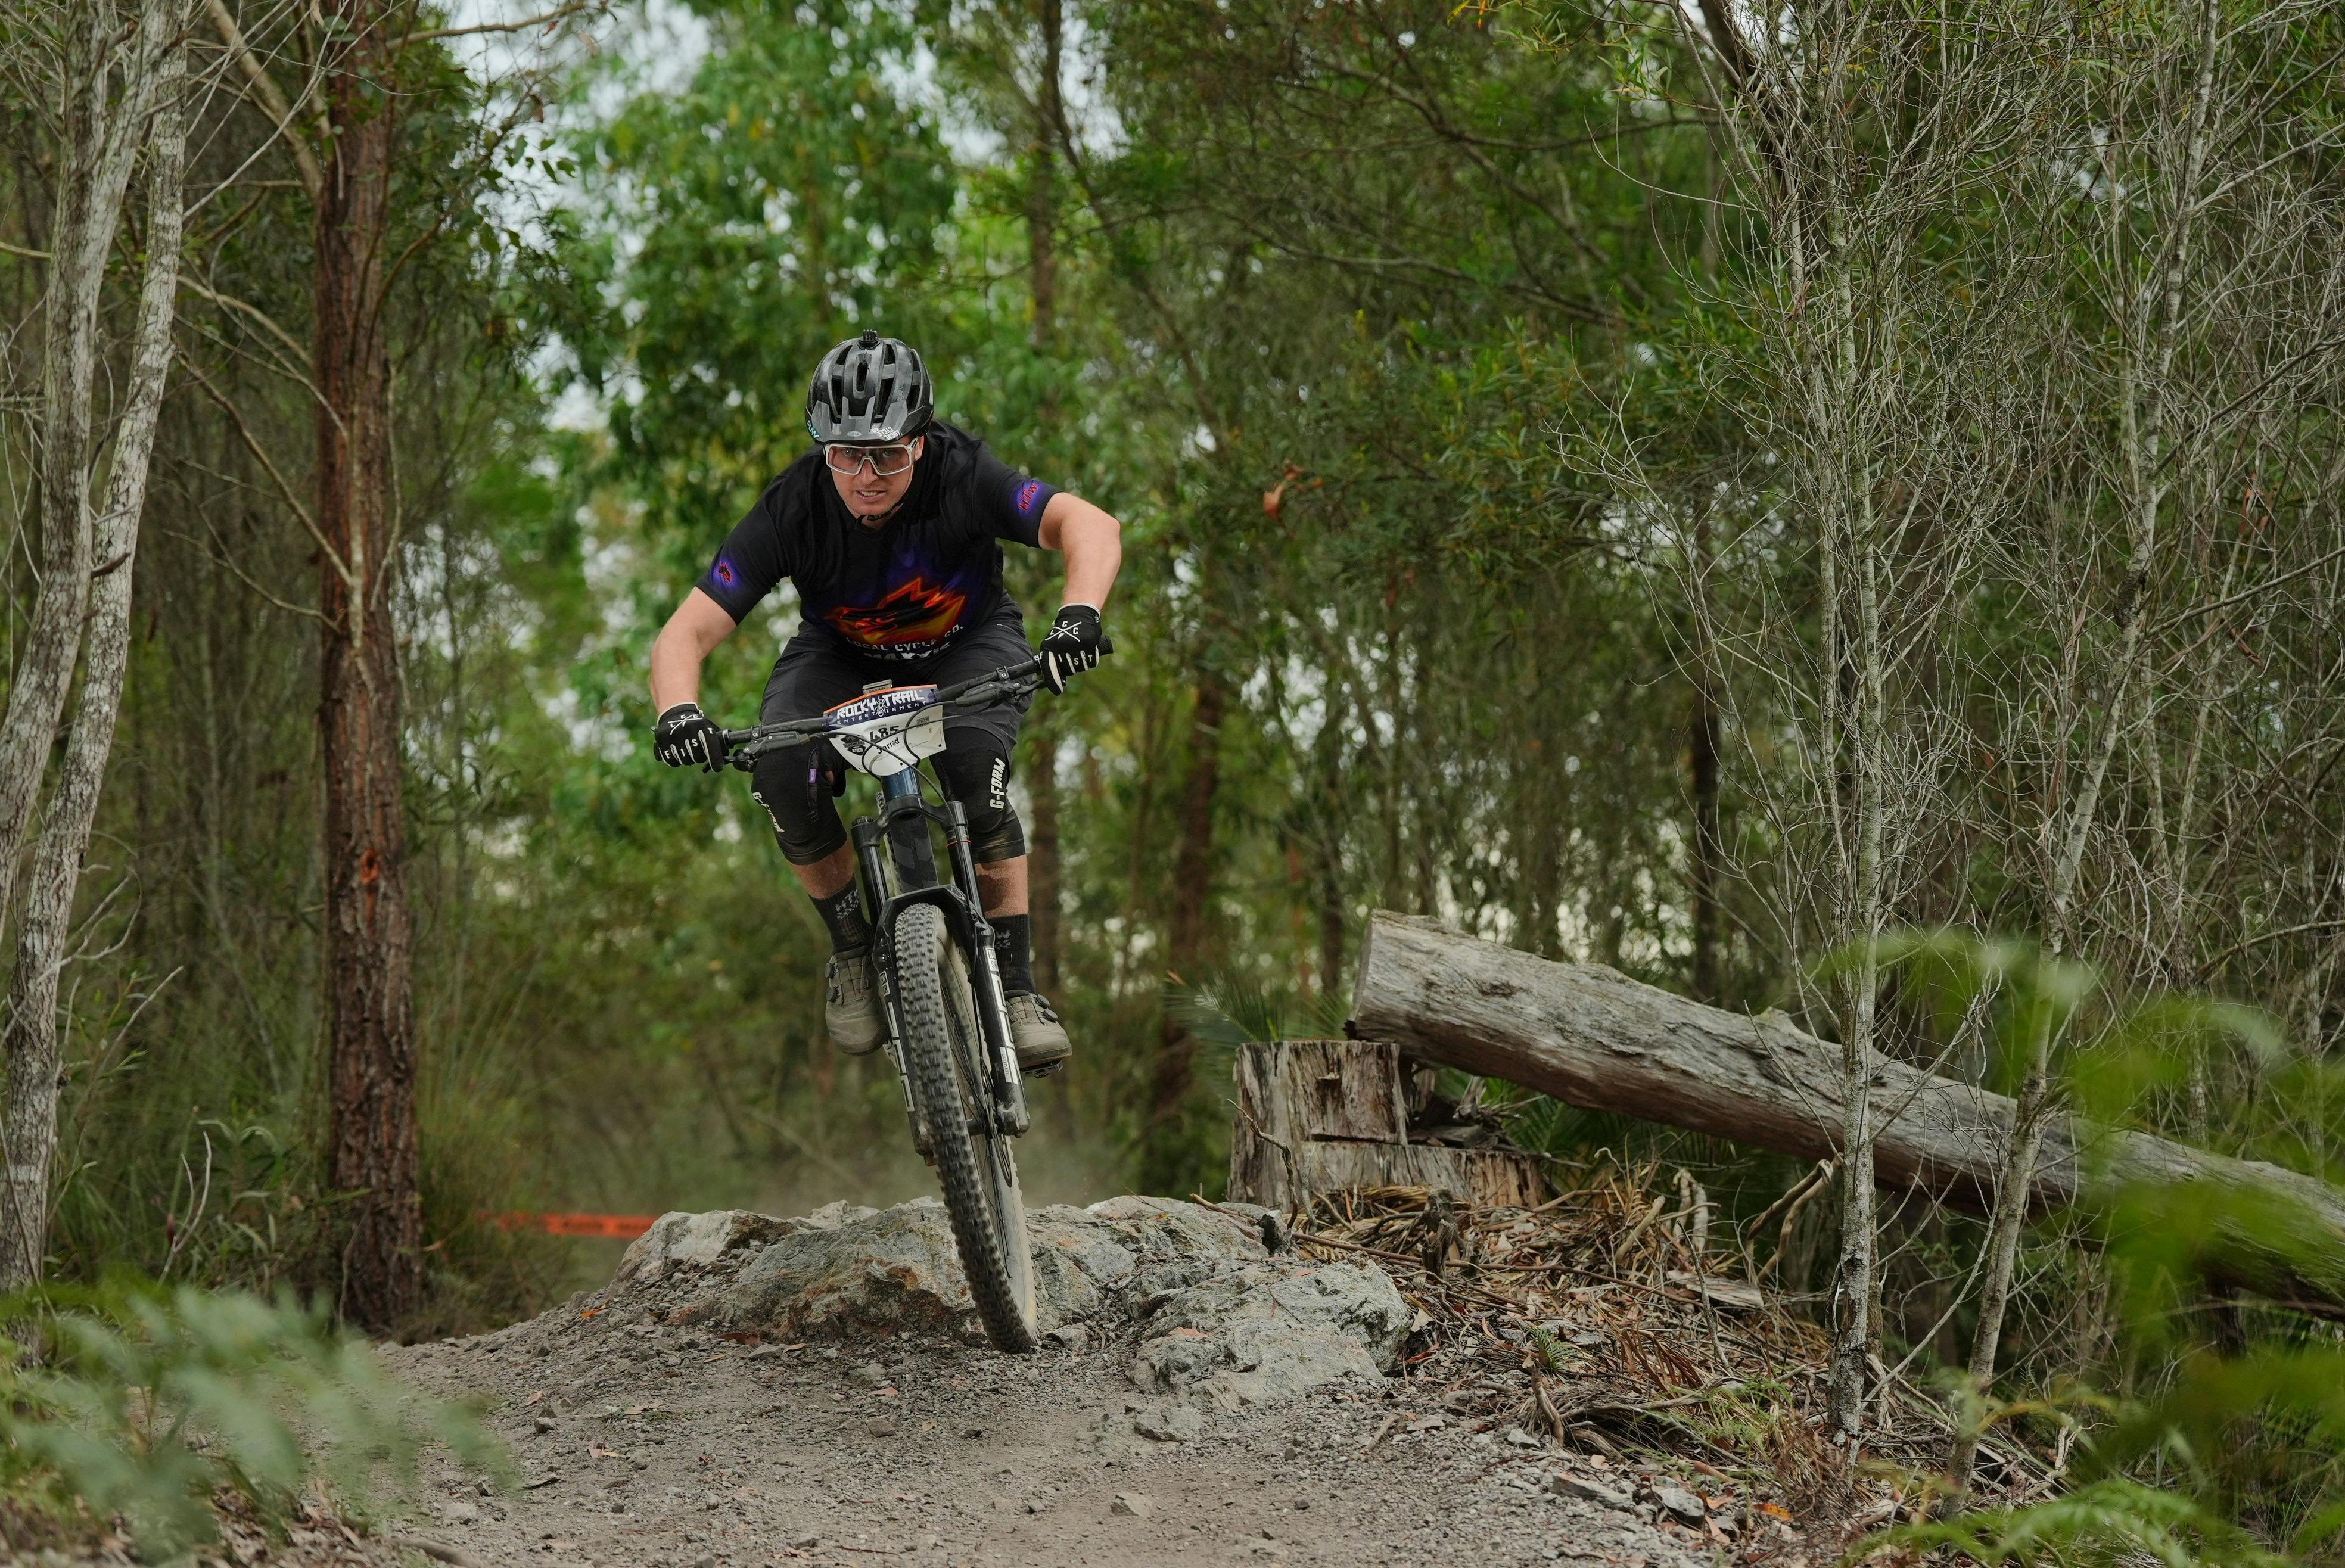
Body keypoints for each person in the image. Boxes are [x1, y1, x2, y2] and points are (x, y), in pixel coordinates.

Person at [646, 331, 1121, 1074]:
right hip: (839, 653)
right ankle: (853, 953)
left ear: (920, 442)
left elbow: (1088, 524)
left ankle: (1018, 989)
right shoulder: (794, 507)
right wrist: (678, 710)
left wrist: (1080, 615)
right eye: (845, 454)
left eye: (888, 456)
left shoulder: (962, 473)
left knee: (976, 772)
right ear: (823, 447)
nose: (866, 476)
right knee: (781, 772)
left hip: (968, 642)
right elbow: (687, 631)